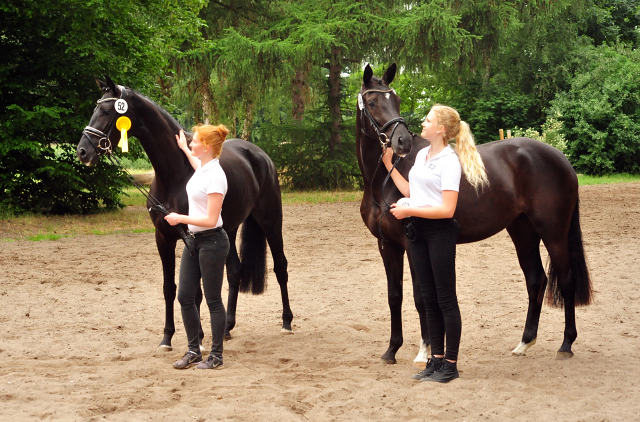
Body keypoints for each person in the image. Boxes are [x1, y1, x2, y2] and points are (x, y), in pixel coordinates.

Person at [382, 104, 488, 383]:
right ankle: (435, 361)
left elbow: (447, 209)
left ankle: (450, 365)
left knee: (445, 300)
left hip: (439, 232)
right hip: (417, 232)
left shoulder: (449, 161)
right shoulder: (421, 155)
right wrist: (389, 167)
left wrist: (409, 211)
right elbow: (410, 191)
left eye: (428, 120)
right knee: (428, 299)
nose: (423, 123)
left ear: (440, 129)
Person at [164, 124, 230, 370]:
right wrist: (183, 148)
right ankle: (193, 350)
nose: (192, 144)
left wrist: (180, 218)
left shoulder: (216, 176)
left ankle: (216, 356)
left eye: (195, 142)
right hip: (194, 241)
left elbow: (211, 220)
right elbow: (194, 162)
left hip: (213, 241)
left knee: (212, 300)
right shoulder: (203, 168)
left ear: (208, 147)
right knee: (184, 296)